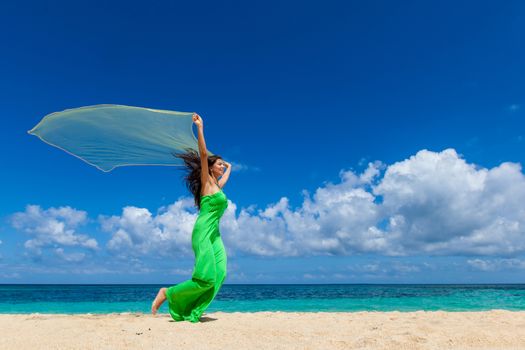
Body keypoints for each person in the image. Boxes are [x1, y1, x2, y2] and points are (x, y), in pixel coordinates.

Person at [150, 113, 232, 322]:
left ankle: (194, 309)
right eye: (220, 164)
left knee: (220, 274)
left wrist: (229, 167)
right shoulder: (206, 182)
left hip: (215, 235)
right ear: (211, 167)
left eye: (223, 165)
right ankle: (167, 293)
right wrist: (200, 128)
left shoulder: (217, 187)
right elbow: (203, 155)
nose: (222, 166)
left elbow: (224, 179)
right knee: (205, 278)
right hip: (203, 232)